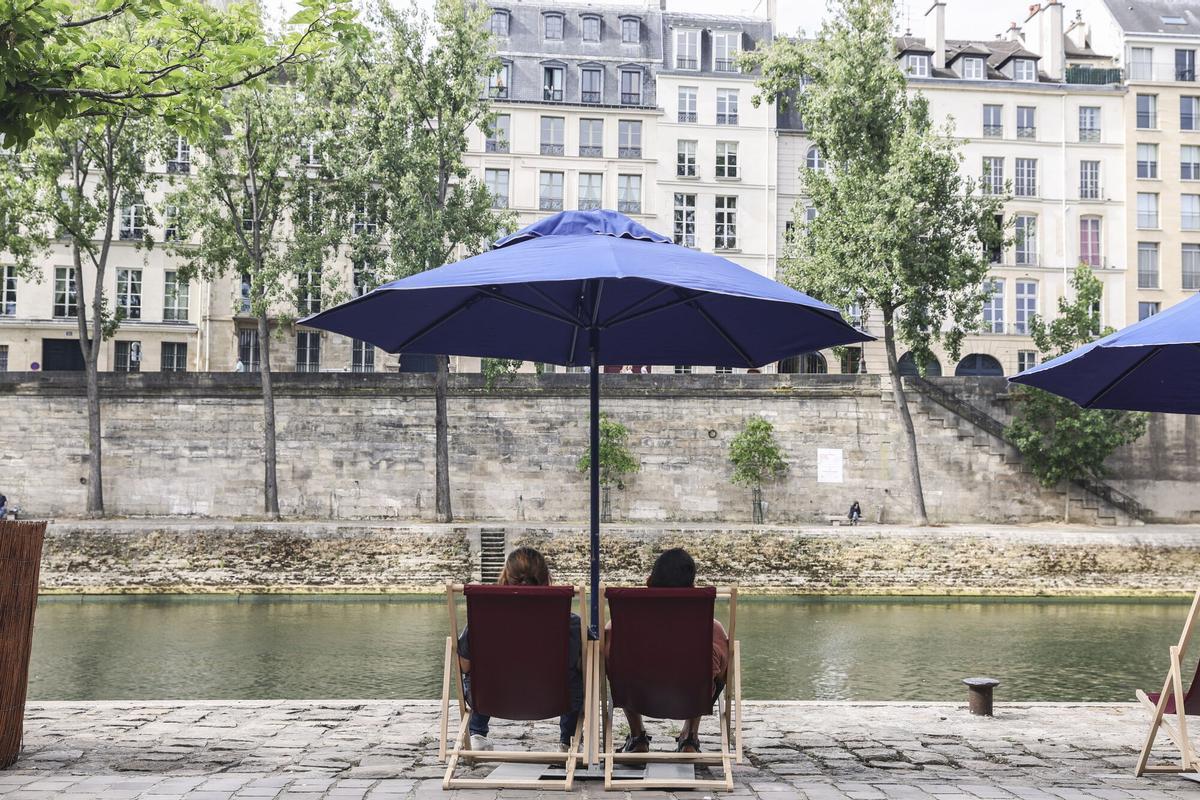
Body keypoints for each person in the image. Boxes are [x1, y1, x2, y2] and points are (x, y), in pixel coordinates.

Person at [457, 547, 583, 753]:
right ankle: (569, 740)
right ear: (547, 579)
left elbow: (464, 664)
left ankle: (477, 733)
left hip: (494, 697)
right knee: (578, 676)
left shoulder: (482, 622)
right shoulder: (571, 624)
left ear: (505, 578)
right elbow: (583, 664)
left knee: (479, 672)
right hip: (553, 698)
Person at [606, 547, 729, 754]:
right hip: (689, 697)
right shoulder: (711, 629)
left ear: (649, 581)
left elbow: (608, 662)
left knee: (621, 662)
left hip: (639, 695)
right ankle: (690, 737)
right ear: (692, 587)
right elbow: (722, 671)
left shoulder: (619, 627)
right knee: (708, 665)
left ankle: (637, 737)